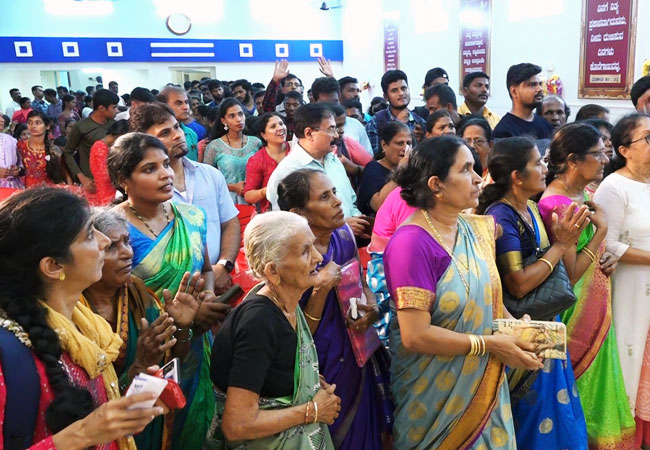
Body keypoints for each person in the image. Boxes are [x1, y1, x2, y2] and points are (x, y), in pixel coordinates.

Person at [384, 135, 541, 449]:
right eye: (465, 169)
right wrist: (489, 345)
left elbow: (490, 299)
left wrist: (516, 327)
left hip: (484, 388)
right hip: (433, 401)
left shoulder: (474, 229)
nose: (476, 178)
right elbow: (415, 335)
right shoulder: (411, 244)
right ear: (436, 184)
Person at [0, 187, 164, 449]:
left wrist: (129, 400)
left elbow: (92, 410)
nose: (103, 241)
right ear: (53, 266)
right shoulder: (9, 354)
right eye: (89, 234)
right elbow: (87, 429)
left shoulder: (87, 327)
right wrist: (83, 434)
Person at [107, 132, 225, 449]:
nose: (165, 174)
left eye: (165, 164)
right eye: (149, 169)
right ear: (123, 180)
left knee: (195, 420)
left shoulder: (192, 217)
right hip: (143, 343)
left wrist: (208, 297)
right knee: (147, 428)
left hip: (195, 339)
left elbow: (203, 269)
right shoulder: (111, 232)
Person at [478, 136, 589, 449]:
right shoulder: (502, 216)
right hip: (521, 324)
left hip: (543, 322)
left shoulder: (528, 207)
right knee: (532, 412)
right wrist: (561, 245)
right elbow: (519, 283)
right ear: (516, 176)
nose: (545, 168)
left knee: (558, 406)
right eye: (538, 162)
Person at [277, 169, 393, 450]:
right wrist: (321, 289)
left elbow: (361, 282)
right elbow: (292, 334)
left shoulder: (343, 235)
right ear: (300, 213)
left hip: (357, 354)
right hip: (319, 367)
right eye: (325, 197)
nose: (338, 202)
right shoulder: (289, 257)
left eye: (335, 193)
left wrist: (372, 307)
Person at [538, 122, 636, 448]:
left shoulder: (584, 194)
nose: (605, 159)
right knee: (579, 393)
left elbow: (592, 257)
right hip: (573, 315)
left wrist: (608, 256)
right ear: (572, 161)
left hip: (596, 308)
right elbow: (572, 274)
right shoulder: (557, 206)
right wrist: (601, 234)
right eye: (597, 154)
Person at [208, 211, 339, 449]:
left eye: (314, 246)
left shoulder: (285, 302)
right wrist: (313, 410)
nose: (318, 257)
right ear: (273, 271)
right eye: (305, 251)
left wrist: (311, 383)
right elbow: (237, 425)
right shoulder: (259, 321)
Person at [83, 209, 204, 450]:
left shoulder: (138, 294)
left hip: (147, 423)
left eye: (127, 241)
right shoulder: (76, 309)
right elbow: (86, 394)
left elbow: (172, 361)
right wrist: (138, 366)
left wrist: (181, 326)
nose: (127, 252)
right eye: (111, 247)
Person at [129, 102, 240, 295]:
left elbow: (229, 222)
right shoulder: (147, 193)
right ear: (146, 142)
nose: (177, 135)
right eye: (165, 133)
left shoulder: (211, 175)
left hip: (220, 281)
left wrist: (223, 266)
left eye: (177, 127)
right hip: (169, 295)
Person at [593, 113, 650, 446]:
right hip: (629, 287)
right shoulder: (614, 186)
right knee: (631, 357)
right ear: (624, 149)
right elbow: (607, 245)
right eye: (647, 138)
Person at [266, 103, 370, 237]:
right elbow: (287, 227)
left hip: (349, 243)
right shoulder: (287, 173)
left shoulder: (334, 161)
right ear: (309, 133)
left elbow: (350, 202)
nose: (336, 136)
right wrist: (342, 227)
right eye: (331, 129)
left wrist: (359, 221)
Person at [204, 98, 263, 204]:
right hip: (226, 200)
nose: (238, 119)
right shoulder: (214, 146)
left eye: (240, 114)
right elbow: (206, 179)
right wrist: (232, 187)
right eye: (232, 116)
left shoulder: (256, 143)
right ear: (223, 120)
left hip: (254, 200)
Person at [64, 89, 119, 194]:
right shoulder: (81, 127)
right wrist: (82, 177)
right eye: (114, 107)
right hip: (92, 182)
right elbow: (68, 152)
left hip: (112, 181)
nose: (117, 111)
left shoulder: (114, 125)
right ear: (102, 108)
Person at [365, 70, 425, 154]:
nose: (401, 93)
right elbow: (374, 157)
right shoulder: (375, 123)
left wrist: (421, 141)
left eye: (404, 88)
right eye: (394, 90)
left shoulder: (420, 122)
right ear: (386, 97)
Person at [357, 121, 410, 216]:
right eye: (399, 143)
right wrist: (401, 171)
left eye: (408, 143)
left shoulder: (413, 169)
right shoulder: (373, 168)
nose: (405, 148)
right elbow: (377, 205)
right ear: (384, 145)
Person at [493, 63, 553, 147]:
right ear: (514, 91)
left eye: (540, 84)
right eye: (532, 85)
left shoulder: (545, 124)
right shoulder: (504, 131)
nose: (540, 89)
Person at [311, 76, 373, 156]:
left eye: (334, 102)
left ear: (339, 98)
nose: (331, 108)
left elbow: (369, 161)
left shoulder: (356, 125)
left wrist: (354, 168)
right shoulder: (306, 128)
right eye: (326, 104)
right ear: (315, 101)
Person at [244, 112, 290, 212]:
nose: (280, 128)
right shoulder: (257, 159)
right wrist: (267, 191)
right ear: (263, 135)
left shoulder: (295, 150)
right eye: (273, 126)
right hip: (273, 214)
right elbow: (248, 195)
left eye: (281, 124)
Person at [18, 110, 71, 187]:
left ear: (47, 126)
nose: (33, 126)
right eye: (30, 122)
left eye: (38, 123)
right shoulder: (20, 146)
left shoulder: (54, 150)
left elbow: (64, 172)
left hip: (48, 192)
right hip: (24, 192)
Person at [330, 103, 373, 186]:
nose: (342, 130)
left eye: (343, 125)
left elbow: (372, 168)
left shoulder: (347, 142)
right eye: (336, 126)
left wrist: (355, 169)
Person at [89, 119, 129, 205]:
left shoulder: (106, 147)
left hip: (109, 191)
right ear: (119, 135)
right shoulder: (100, 147)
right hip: (105, 193)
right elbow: (104, 175)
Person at [157, 86, 200, 161]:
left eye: (186, 102)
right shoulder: (156, 135)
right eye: (179, 103)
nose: (185, 107)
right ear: (163, 106)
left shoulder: (191, 133)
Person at [458, 116, 493, 181]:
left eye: (478, 141)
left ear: (490, 145)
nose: (472, 146)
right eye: (467, 141)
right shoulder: (457, 176)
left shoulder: (496, 177)